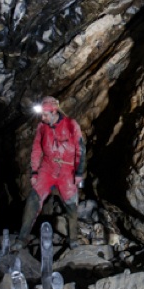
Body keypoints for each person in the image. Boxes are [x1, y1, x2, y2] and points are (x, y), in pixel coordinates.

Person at [14, 96, 86, 251]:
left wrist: (79, 172)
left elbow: (81, 149)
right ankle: (22, 239)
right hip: (47, 168)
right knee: (33, 200)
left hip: (67, 170)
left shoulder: (71, 124)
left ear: (54, 112)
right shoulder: (42, 127)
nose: (42, 117)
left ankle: (73, 239)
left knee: (71, 206)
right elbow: (36, 150)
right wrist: (34, 173)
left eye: (45, 114)